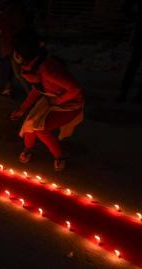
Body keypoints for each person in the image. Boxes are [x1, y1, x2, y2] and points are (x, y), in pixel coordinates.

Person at [10, 30, 84, 171]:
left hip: (69, 104)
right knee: (30, 123)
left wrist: (59, 101)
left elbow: (75, 89)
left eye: (16, 52)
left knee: (40, 128)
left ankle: (59, 156)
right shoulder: (34, 65)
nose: (14, 56)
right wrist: (22, 109)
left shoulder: (48, 69)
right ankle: (28, 149)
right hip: (50, 98)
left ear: (20, 55)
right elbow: (39, 88)